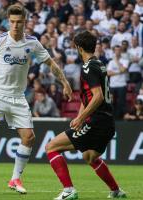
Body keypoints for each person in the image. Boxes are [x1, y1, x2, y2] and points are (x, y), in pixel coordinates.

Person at [0, 5, 72, 194]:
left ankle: (15, 179)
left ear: (25, 22)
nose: (15, 25)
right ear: (8, 22)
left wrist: (65, 83)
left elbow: (50, 63)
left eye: (19, 22)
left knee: (29, 137)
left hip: (18, 97)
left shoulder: (32, 43)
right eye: (12, 22)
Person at [45, 31, 126, 200]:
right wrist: (80, 116)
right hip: (106, 122)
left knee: (51, 147)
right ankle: (116, 191)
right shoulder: (99, 64)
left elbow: (98, 97)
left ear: (79, 48)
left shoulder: (88, 67)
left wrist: (81, 118)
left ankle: (68, 190)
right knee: (89, 156)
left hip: (97, 121)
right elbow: (87, 97)